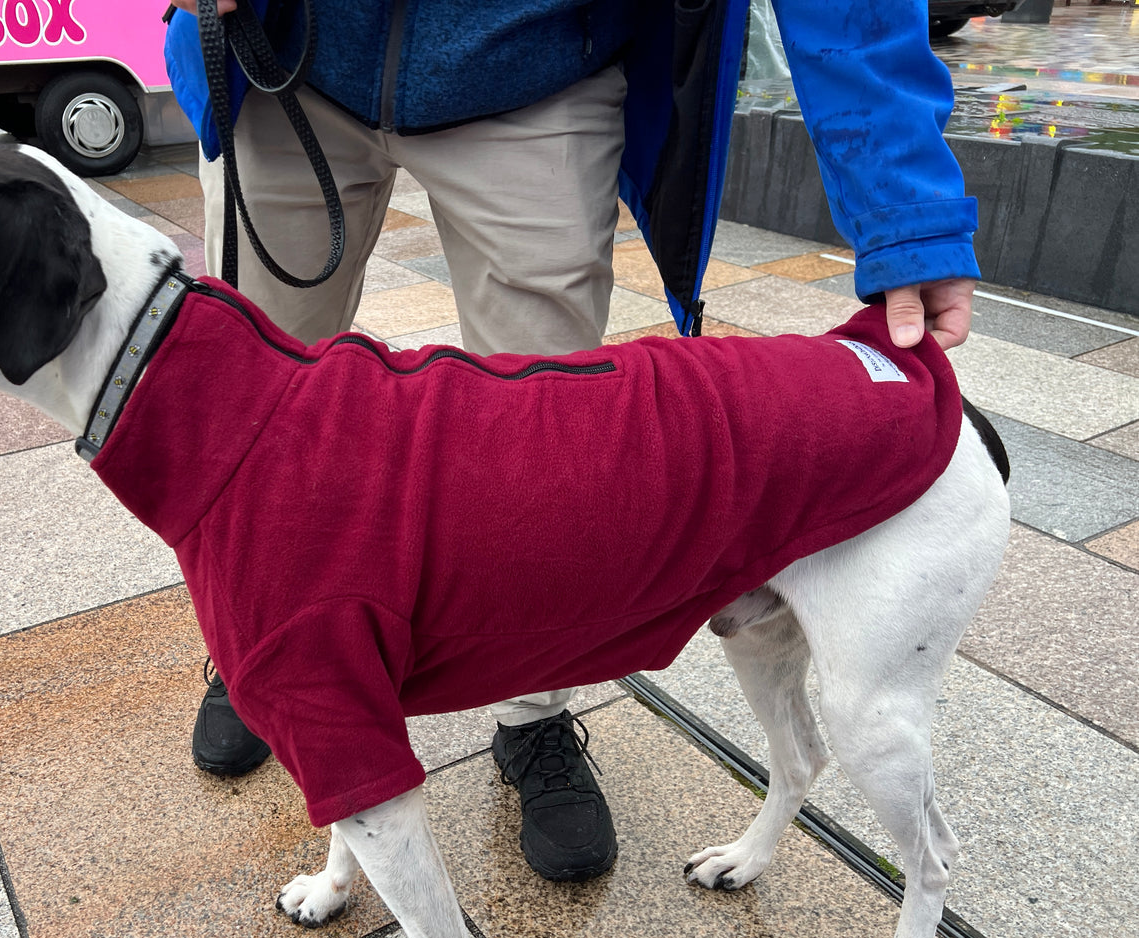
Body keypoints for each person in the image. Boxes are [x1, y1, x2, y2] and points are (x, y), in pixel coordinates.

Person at [161, 0, 980, 882]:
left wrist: (906, 212)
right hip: (283, 58)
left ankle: (532, 716)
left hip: (534, 65)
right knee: (251, 427)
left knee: (551, 475)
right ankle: (260, 658)